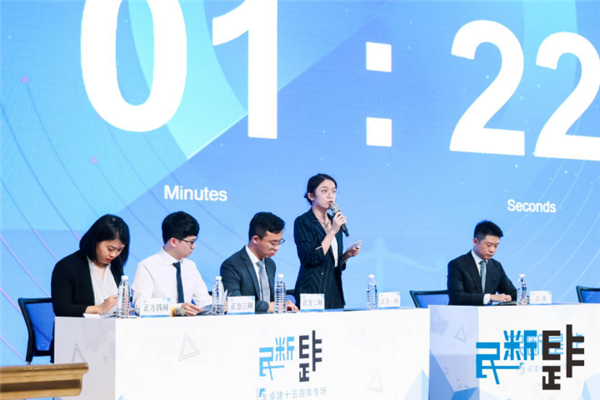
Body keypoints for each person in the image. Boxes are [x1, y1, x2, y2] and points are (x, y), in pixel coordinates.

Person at [294, 173, 360, 309]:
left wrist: (345, 256)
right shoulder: (303, 222)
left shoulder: (334, 221)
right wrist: (332, 231)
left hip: (334, 289)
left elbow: (332, 262)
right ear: (311, 196)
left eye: (334, 191)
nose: (330, 195)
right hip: (312, 291)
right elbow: (311, 259)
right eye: (324, 191)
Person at [132, 211, 212, 316]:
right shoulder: (147, 266)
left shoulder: (190, 266)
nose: (194, 246)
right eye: (191, 242)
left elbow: (203, 300)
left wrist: (216, 305)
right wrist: (177, 308)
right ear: (173, 241)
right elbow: (140, 306)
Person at [51, 214, 130, 317]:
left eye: (119, 250)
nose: (114, 254)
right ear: (95, 241)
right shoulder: (66, 266)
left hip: (112, 325)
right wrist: (99, 309)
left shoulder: (115, 266)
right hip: (79, 326)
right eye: (110, 249)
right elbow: (62, 308)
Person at [221, 212, 299, 313]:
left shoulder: (270, 264)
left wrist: (283, 305)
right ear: (256, 239)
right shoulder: (231, 265)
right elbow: (234, 303)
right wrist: (269, 306)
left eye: (279, 242)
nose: (277, 248)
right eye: (273, 243)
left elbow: (271, 301)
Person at [447, 220, 517, 306]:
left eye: (496, 246)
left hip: (487, 314)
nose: (492, 250)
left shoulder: (496, 266)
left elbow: (512, 293)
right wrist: (489, 297)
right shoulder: (457, 264)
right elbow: (457, 297)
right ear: (475, 242)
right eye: (488, 245)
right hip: (462, 313)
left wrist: (527, 298)